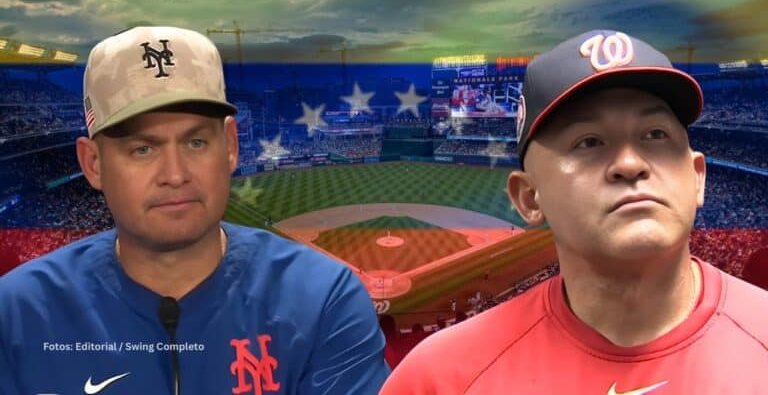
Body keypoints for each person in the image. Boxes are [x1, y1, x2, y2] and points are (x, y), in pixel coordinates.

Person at [0, 26, 389, 394]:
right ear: (93, 164)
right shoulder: (16, 313)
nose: (175, 174)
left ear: (231, 145)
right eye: (142, 149)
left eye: (196, 143)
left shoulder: (323, 299)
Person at [380, 30, 768, 394]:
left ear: (697, 177)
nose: (630, 164)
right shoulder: (439, 378)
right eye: (588, 142)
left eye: (655, 134)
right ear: (528, 198)